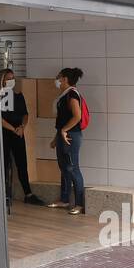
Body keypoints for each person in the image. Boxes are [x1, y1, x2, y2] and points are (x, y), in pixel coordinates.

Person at [0, 69, 44, 206]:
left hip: (18, 132)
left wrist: (22, 127)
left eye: (13, 78)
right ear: (2, 80)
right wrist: (13, 129)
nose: (11, 81)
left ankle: (28, 194)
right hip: (5, 133)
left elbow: (25, 114)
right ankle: (3, 194)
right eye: (8, 78)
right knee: (4, 164)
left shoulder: (18, 96)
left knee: (22, 164)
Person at [48, 67, 85, 215]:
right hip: (63, 135)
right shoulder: (63, 95)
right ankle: (64, 199)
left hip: (71, 136)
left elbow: (77, 116)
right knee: (64, 168)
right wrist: (57, 137)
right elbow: (62, 120)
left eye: (58, 77)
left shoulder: (72, 94)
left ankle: (79, 204)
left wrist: (63, 131)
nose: (56, 80)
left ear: (64, 79)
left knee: (73, 168)